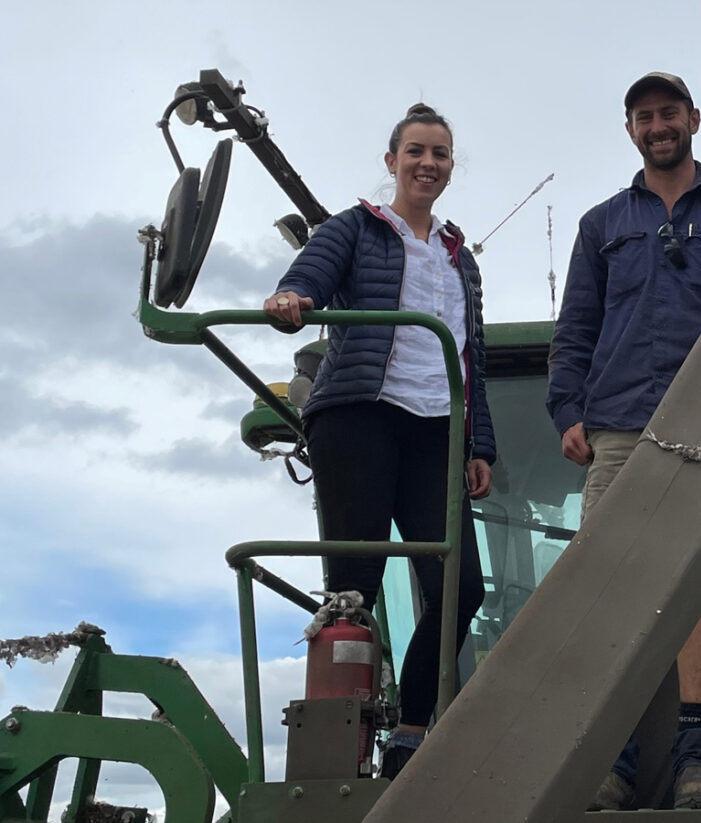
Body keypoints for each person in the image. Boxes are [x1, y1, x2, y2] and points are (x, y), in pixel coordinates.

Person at [546, 72, 701, 810]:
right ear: (631, 130)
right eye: (644, 116)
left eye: (668, 112)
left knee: (697, 585)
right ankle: (617, 753)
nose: (657, 125)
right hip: (617, 427)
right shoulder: (601, 223)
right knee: (607, 589)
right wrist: (566, 409)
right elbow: (576, 326)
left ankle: (696, 756)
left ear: (693, 119)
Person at [264, 103, 494, 781]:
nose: (428, 163)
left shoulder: (461, 257)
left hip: (435, 428)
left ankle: (412, 731)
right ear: (391, 160)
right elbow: (312, 272)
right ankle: (339, 752)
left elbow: (470, 350)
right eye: (416, 151)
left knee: (462, 588)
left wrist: (477, 441)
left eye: (441, 154)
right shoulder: (357, 227)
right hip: (361, 414)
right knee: (354, 593)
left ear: (452, 167)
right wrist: (292, 296)